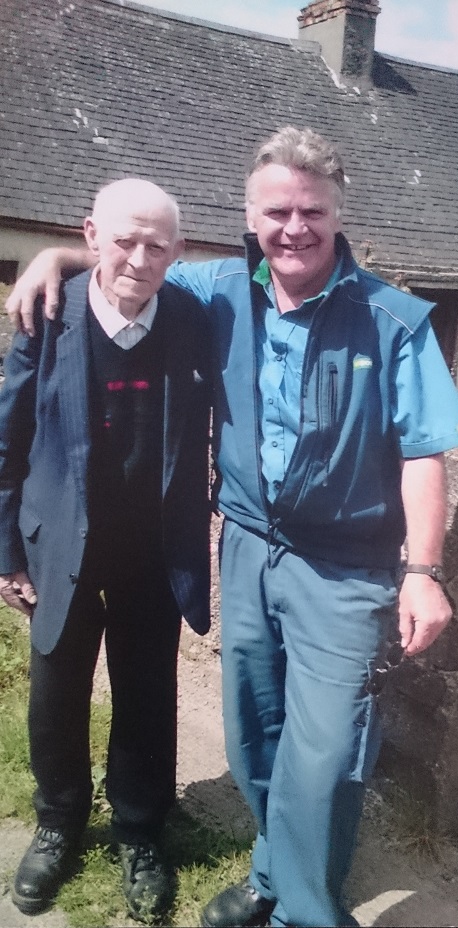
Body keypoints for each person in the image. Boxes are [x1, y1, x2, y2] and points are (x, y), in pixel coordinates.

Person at [6, 127, 458, 928]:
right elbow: (130, 265)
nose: (294, 227)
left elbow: (425, 450)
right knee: (254, 736)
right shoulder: (222, 289)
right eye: (277, 212)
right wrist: (55, 262)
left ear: (337, 213)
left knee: (324, 754)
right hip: (249, 549)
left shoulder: (389, 320)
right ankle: (261, 870)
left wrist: (422, 571)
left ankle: (299, 907)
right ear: (250, 221)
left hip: (342, 561)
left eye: (311, 211)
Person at [0, 178, 212, 921]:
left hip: (152, 549)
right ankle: (58, 823)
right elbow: (8, 439)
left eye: (158, 245)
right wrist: (5, 553)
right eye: (125, 240)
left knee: (148, 691)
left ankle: (140, 828)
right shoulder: (46, 314)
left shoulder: (192, 315)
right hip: (58, 538)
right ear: (91, 236)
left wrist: (50, 254)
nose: (139, 258)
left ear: (178, 253)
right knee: (56, 689)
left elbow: (275, 267)